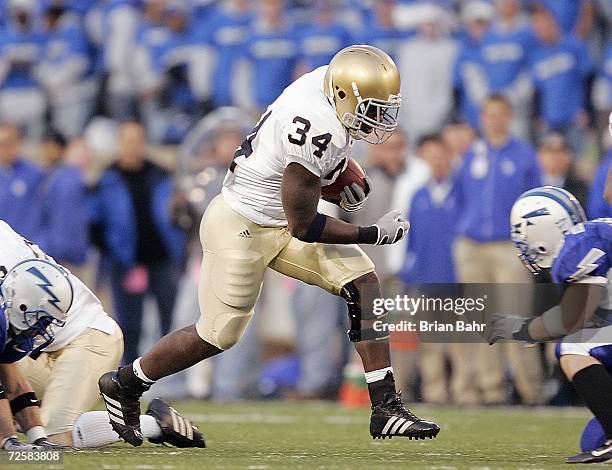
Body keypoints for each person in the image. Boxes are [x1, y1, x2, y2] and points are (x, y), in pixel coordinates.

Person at [99, 45, 440, 445]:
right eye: (372, 108)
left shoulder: (326, 82)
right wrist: (372, 233)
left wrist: (333, 174)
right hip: (242, 224)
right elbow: (305, 225)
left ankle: (385, 408)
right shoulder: (318, 127)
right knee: (218, 333)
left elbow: (298, 184)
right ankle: (125, 383)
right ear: (345, 95)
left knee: (363, 281)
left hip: (277, 215)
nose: (379, 119)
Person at [0, 231, 202, 449]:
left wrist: (19, 440)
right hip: (34, 340)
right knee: (30, 424)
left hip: (88, 335)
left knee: (54, 438)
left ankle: (156, 424)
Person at [488, 186, 612, 464]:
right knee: (593, 438)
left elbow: (573, 316)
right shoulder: (593, 235)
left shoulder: (578, 246)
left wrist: (523, 329)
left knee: (575, 346)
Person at [453, 94, 543, 405]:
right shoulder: (472, 153)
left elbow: (535, 203)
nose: (494, 120)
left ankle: (531, 391)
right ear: (482, 117)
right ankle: (491, 390)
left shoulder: (524, 155)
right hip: (472, 244)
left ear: (509, 117)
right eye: (488, 114)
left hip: (509, 246)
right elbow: (460, 196)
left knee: (514, 319)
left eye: (499, 114)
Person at [94, 121, 186, 363]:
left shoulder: (160, 174)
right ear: (119, 144)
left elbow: (176, 216)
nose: (132, 146)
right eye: (127, 140)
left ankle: (169, 373)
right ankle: (129, 375)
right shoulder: (107, 179)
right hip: (126, 263)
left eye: (137, 140)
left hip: (162, 259)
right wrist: (114, 252)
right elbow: (97, 223)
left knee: (170, 319)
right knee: (129, 323)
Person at [528, 6, 593, 153]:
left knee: (577, 168)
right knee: (550, 168)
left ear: (552, 22)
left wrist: (587, 110)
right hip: (549, 120)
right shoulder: (536, 55)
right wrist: (538, 116)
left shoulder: (573, 45)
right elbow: (538, 90)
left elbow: (588, 78)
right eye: (535, 27)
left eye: (541, 24)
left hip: (575, 119)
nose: (539, 30)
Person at [35, 128, 89, 270]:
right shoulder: (51, 175)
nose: (45, 152)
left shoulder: (68, 179)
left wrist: (58, 252)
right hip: (55, 251)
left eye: (49, 147)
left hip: (63, 256)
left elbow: (65, 220)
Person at [0, 123, 44, 241]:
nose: (5, 149)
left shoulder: (34, 174)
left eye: (10, 143)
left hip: (26, 243)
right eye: (2, 144)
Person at [537, 133, 589, 208]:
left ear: (569, 157)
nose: (554, 157)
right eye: (549, 152)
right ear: (540, 155)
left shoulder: (579, 188)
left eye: (560, 152)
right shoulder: (529, 184)